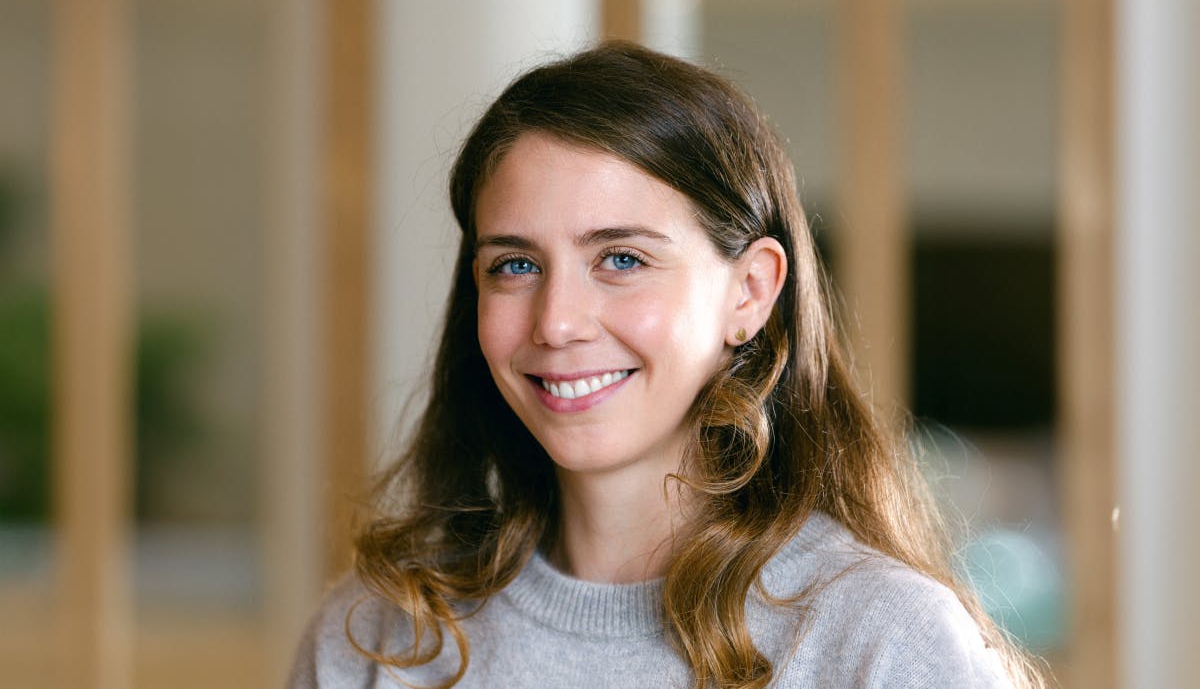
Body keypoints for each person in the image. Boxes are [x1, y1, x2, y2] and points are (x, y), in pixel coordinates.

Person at [289, 41, 1043, 688]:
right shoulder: (377, 636)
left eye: (621, 258)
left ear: (750, 292)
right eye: (515, 265)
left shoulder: (881, 643)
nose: (556, 322)